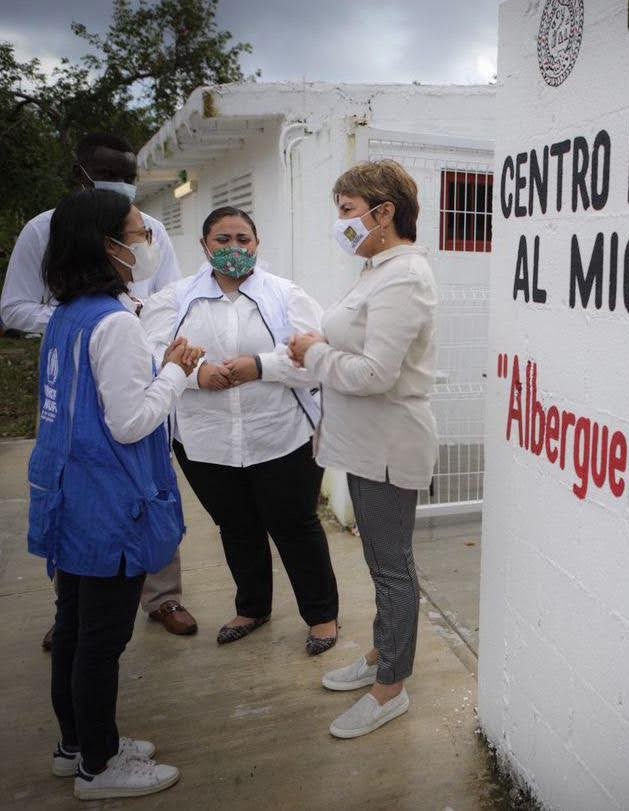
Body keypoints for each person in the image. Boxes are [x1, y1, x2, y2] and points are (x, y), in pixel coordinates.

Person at [27, 189, 201, 799]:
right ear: (108, 246)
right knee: (100, 642)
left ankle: (74, 743)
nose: (146, 242)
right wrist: (176, 370)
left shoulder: (68, 316)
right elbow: (129, 422)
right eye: (137, 232)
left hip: (71, 498)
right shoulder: (116, 323)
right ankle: (99, 767)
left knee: (73, 629)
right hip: (108, 505)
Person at [1, 132, 196, 646]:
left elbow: (170, 297)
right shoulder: (47, 231)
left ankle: (158, 596)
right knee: (92, 503)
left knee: (145, 490)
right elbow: (15, 308)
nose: (125, 188)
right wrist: (104, 321)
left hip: (140, 361)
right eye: (111, 174)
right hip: (90, 374)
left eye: (129, 177)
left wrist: (139, 332)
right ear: (80, 174)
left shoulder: (148, 230)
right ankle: (85, 609)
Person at [141, 206, 340, 654]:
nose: (234, 249)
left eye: (243, 240)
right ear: (204, 246)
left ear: (257, 243)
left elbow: (319, 359)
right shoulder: (174, 300)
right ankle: (252, 608)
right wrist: (196, 376)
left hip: (282, 436)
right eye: (222, 240)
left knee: (295, 526)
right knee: (236, 527)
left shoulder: (286, 296)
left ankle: (322, 616)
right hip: (206, 441)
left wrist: (261, 367)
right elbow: (150, 356)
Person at [289, 160, 438, 737]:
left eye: (348, 211)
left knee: (392, 568)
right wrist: (293, 358)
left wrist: (314, 355)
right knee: (381, 565)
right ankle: (383, 653)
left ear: (385, 212)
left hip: (389, 445)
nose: (342, 223)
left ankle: (390, 688)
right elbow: (340, 345)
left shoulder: (405, 276)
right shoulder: (377, 269)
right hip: (363, 444)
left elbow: (377, 372)